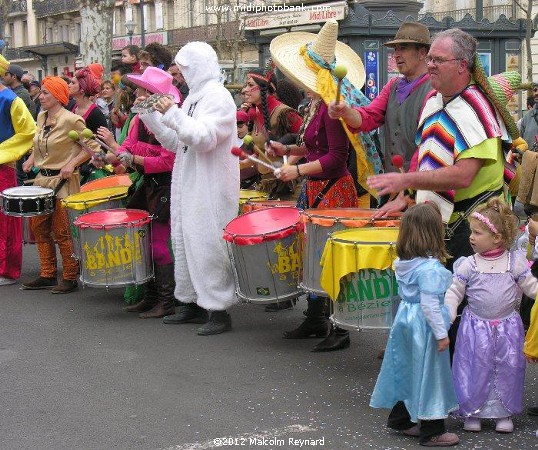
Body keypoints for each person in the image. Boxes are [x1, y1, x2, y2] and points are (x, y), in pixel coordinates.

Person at [268, 19, 380, 351]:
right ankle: (316, 318)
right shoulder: (317, 103)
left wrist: (297, 171)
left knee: (329, 259)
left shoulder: (331, 108)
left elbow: (334, 158)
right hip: (316, 189)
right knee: (313, 256)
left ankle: (339, 327)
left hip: (332, 190)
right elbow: (315, 147)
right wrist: (287, 151)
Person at [137, 41, 239, 335]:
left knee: (207, 244)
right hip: (190, 181)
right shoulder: (195, 97)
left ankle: (218, 310)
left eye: (183, 69)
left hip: (210, 185)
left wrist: (172, 112)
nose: (178, 75)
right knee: (186, 240)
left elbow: (204, 138)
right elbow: (178, 140)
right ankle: (193, 303)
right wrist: (150, 114)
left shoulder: (217, 97)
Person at [443, 199, 538, 433]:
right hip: (475, 328)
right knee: (474, 368)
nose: (471, 237)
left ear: (497, 238)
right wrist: (448, 312)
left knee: (506, 369)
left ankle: (502, 413)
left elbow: (531, 286)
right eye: (472, 232)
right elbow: (455, 291)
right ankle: (472, 412)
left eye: (477, 232)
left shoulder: (513, 263)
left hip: (507, 328)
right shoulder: (468, 265)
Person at [370, 203, 459, 447]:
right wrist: (441, 333)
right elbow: (430, 304)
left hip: (406, 320)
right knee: (431, 374)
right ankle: (432, 430)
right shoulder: (430, 269)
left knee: (407, 369)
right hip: (425, 325)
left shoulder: (404, 262)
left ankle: (401, 418)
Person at [94, 67, 181, 319]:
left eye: (142, 91)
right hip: (148, 185)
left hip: (166, 185)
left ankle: (167, 302)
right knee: (145, 243)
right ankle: (151, 296)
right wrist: (106, 157)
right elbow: (126, 148)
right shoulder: (137, 119)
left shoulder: (169, 120)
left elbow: (168, 162)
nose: (137, 95)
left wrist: (133, 158)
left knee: (160, 246)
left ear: (154, 94)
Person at [328, 21, 432, 210]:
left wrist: (408, 191)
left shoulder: (433, 89)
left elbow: (428, 147)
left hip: (422, 192)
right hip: (393, 187)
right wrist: (346, 112)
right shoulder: (392, 86)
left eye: (404, 48)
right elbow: (369, 117)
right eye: (395, 49)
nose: (397, 54)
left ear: (423, 52)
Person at [21, 77, 99, 293]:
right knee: (39, 228)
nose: (41, 96)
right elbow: (39, 144)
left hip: (63, 182)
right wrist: (30, 160)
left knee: (62, 231)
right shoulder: (41, 116)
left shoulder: (72, 120)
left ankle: (70, 276)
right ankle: (47, 273)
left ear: (58, 96)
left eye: (46, 93)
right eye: (42, 93)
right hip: (42, 181)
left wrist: (72, 163)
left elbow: (91, 147)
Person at [0, 54, 36, 286]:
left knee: (5, 220)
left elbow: (29, 131)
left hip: (3, 168)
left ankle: (6, 269)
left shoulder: (10, 99)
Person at [242, 67, 302, 200]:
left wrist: (287, 166)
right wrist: (240, 164)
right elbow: (260, 153)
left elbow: (307, 145)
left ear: (264, 88)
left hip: (288, 188)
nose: (244, 90)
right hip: (265, 185)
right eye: (246, 85)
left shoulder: (285, 113)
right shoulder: (256, 114)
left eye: (250, 85)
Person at [68, 66, 109, 184]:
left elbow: (104, 144)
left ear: (82, 90)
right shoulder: (71, 107)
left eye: (72, 83)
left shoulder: (96, 114)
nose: (69, 85)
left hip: (87, 171)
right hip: (71, 165)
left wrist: (97, 159)